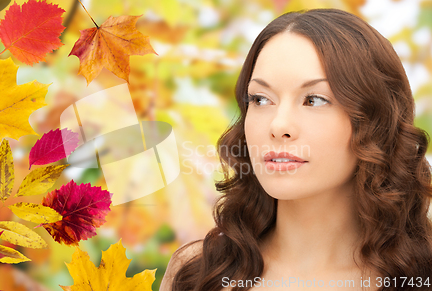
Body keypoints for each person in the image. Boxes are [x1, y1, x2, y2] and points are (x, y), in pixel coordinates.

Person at [159, 8, 432, 291]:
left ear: (377, 120)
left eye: (313, 100)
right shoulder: (196, 273)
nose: (278, 125)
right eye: (261, 99)